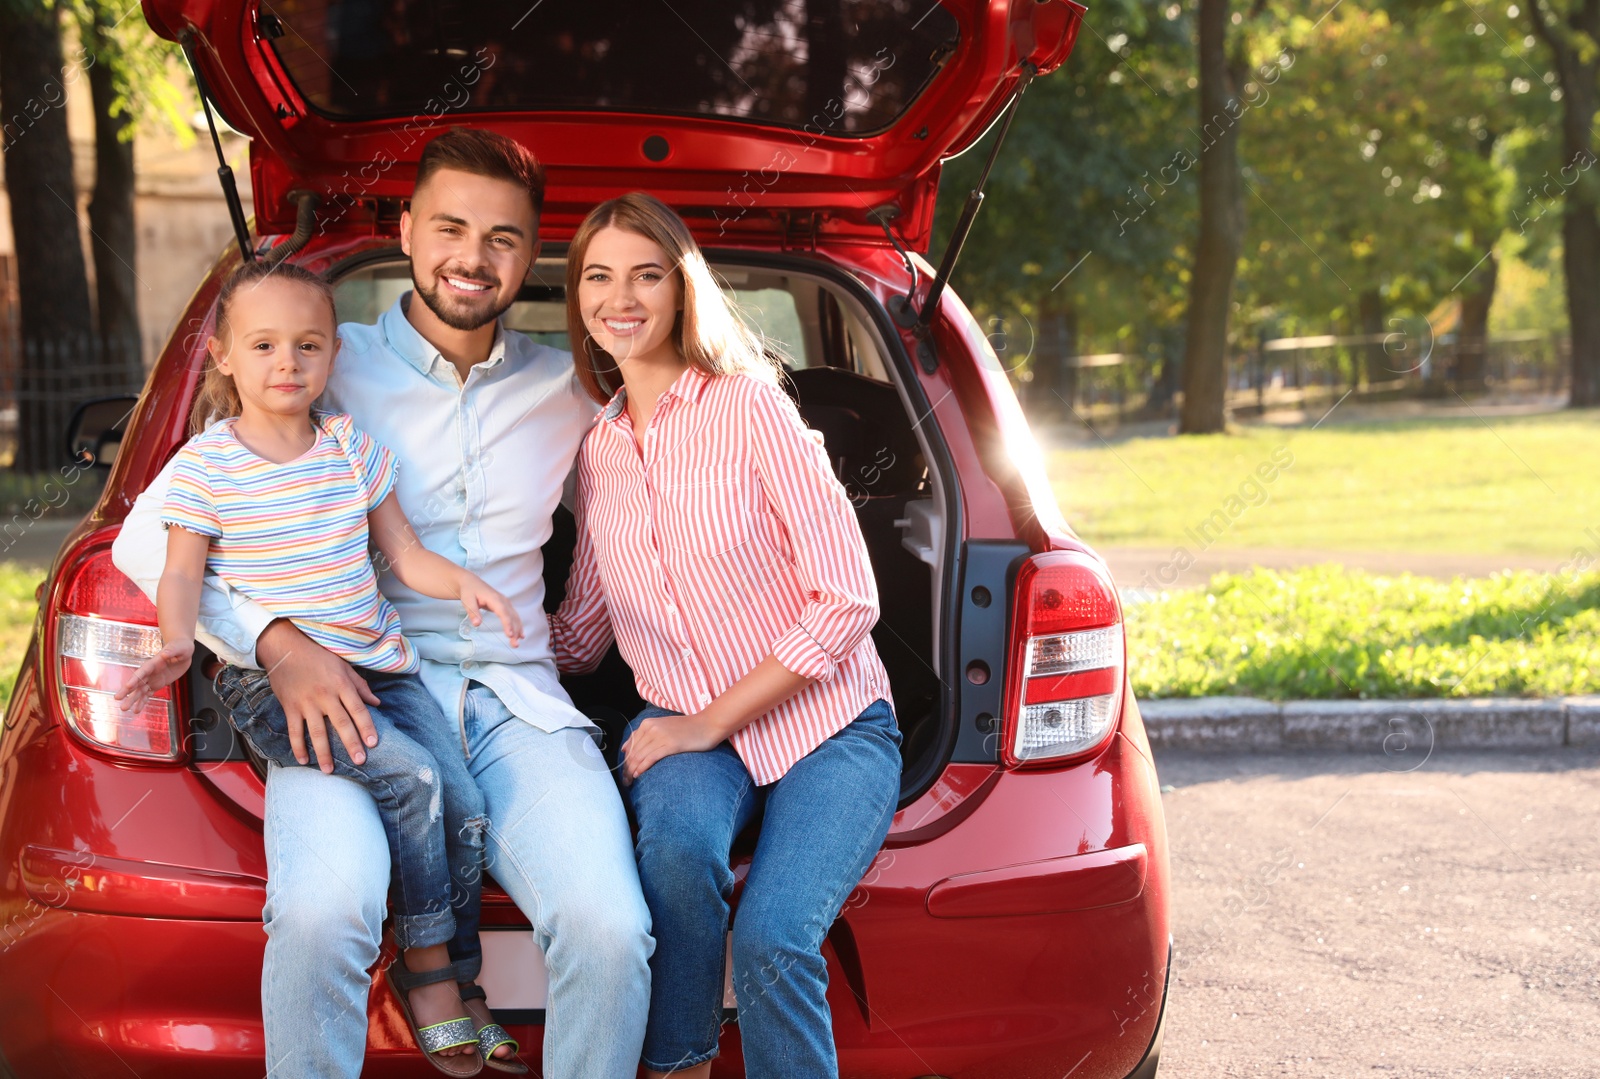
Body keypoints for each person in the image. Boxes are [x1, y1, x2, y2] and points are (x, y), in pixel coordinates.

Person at [112, 128, 653, 1079]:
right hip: (346, 687)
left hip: (515, 700)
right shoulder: (317, 359)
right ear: (406, 230)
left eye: (503, 238)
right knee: (323, 916)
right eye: (450, 226)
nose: (473, 258)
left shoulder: (568, 388)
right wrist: (274, 639)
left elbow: (668, 498)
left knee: (611, 930)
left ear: (535, 254)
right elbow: (143, 539)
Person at [115, 260, 526, 1075]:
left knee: (467, 801)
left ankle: (461, 974)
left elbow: (405, 554)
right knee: (411, 781)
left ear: (334, 353)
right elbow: (181, 573)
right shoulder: (207, 467)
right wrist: (171, 640)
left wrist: (467, 584)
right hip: (272, 684)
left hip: (386, 670)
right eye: (263, 345)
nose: (286, 363)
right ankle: (428, 971)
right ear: (225, 356)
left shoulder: (349, 448)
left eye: (307, 345)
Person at [548, 192, 904, 1079]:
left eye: (644, 275)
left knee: (776, 938)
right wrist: (462, 644)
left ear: (681, 290)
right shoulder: (597, 450)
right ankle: (683, 1064)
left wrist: (707, 721)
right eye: (598, 277)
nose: (619, 298)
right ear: (578, 296)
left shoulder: (750, 408)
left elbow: (847, 597)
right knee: (674, 855)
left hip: (832, 727)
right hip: (687, 731)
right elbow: (586, 627)